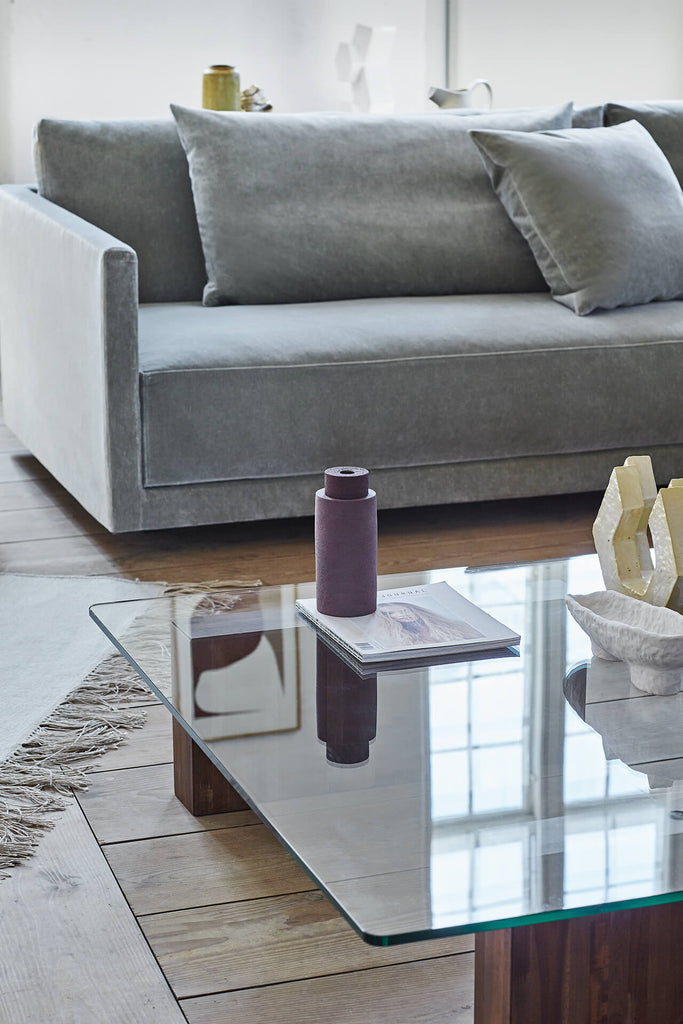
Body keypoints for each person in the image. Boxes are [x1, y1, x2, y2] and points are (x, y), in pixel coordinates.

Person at [369, 601, 482, 646]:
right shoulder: (398, 639)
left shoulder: (455, 627)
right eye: (390, 613)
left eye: (404, 610)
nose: (401, 615)